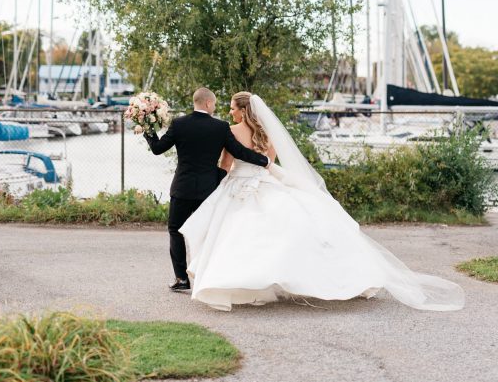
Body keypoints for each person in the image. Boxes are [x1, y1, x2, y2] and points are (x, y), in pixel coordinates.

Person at [178, 91, 464, 311]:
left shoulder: (230, 130)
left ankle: (240, 282)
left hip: (238, 185)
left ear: (241, 110)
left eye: (232, 106)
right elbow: (268, 164)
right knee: (283, 229)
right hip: (264, 181)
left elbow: (226, 163)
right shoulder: (267, 132)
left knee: (233, 235)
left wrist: (217, 179)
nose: (229, 110)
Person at [144, 87, 270, 291]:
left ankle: (181, 279)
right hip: (209, 190)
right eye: (215, 104)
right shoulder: (220, 127)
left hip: (182, 188)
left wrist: (147, 129)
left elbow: (158, 149)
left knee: (175, 230)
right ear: (208, 103)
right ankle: (206, 276)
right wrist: (263, 160)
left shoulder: (179, 124)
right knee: (207, 233)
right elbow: (238, 152)